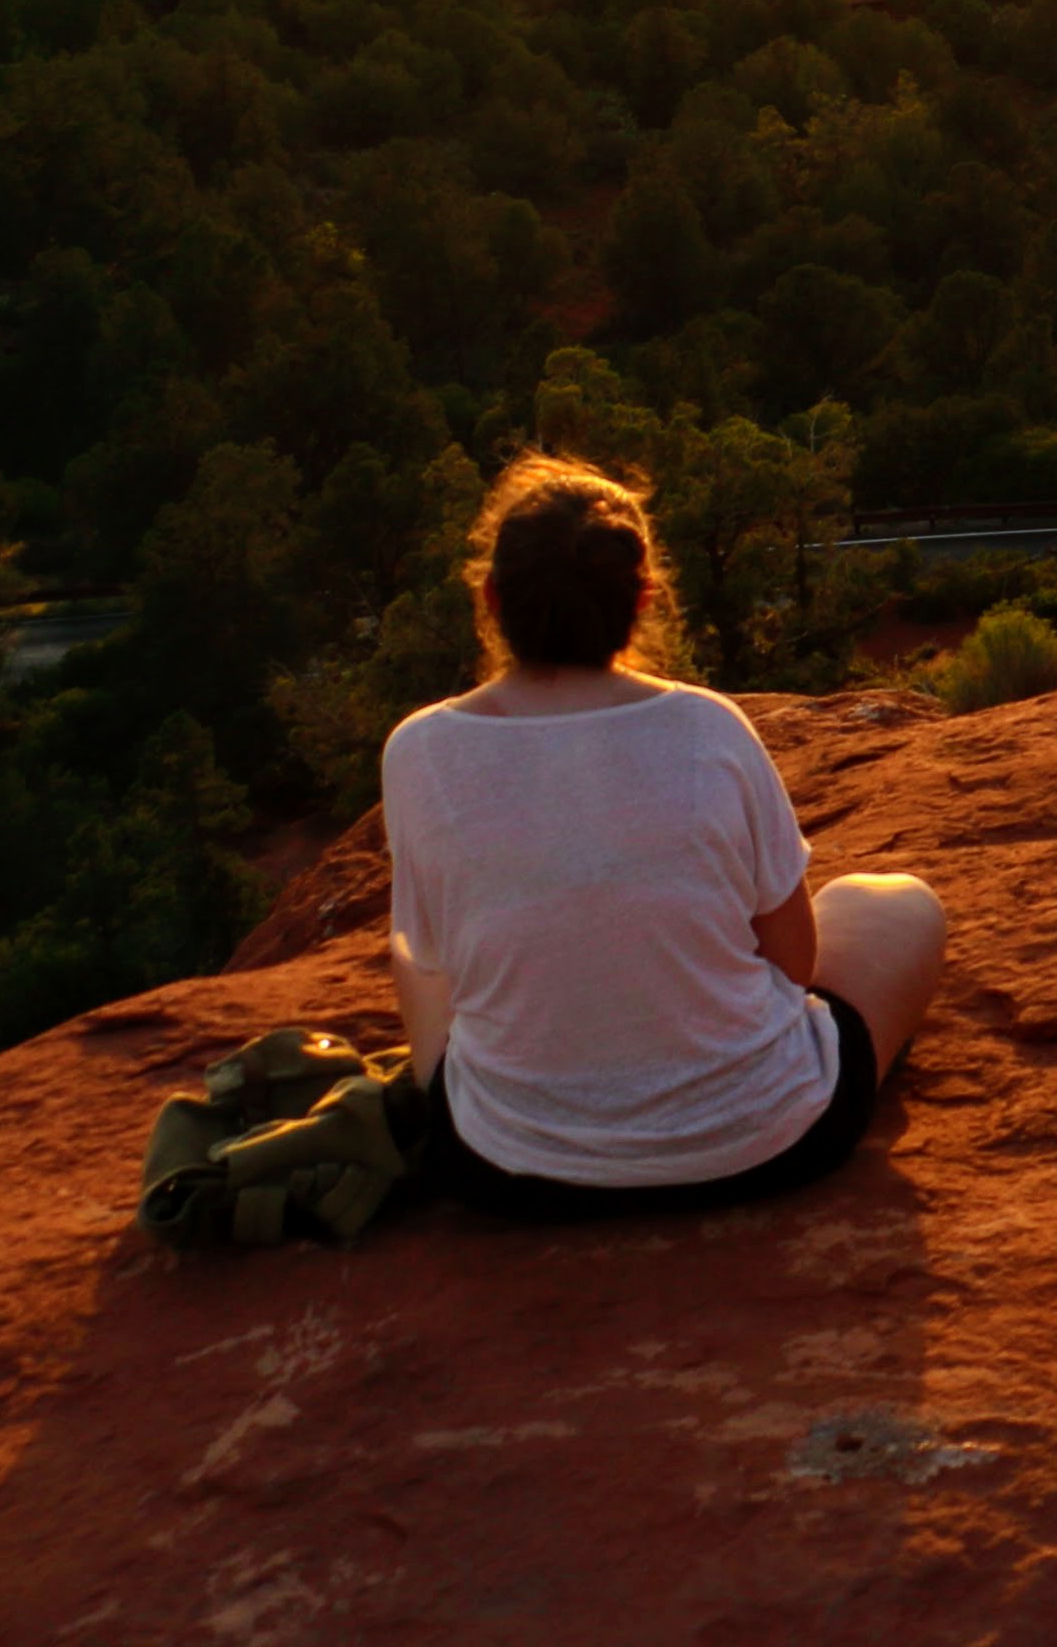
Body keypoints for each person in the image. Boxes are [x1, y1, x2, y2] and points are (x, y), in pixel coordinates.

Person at [383, 457, 947, 1220]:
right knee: (897, 903)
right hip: (769, 1142)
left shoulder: (418, 750)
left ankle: (494, 1096)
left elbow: (439, 958)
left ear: (490, 598)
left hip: (507, 1168)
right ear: (643, 598)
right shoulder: (707, 726)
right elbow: (794, 960)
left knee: (413, 952)